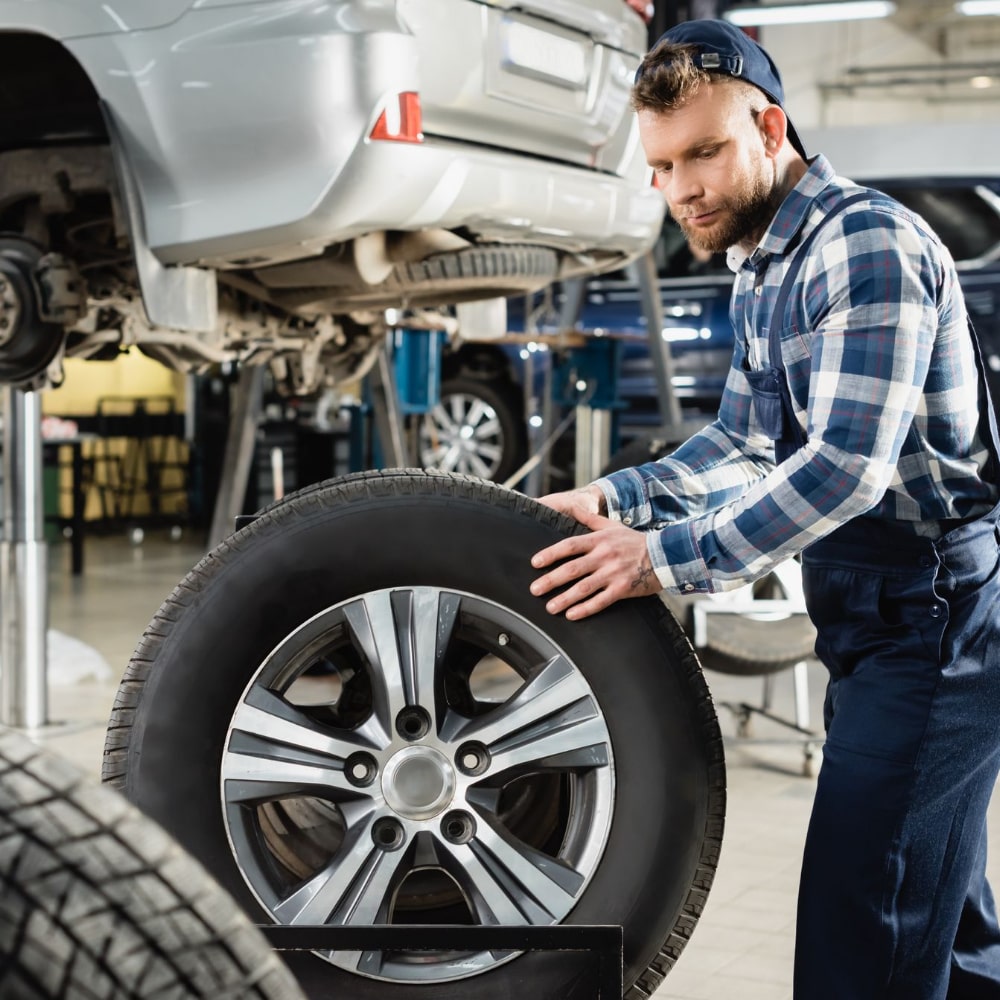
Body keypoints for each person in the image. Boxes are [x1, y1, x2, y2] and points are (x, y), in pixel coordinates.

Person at [528, 18, 1000, 1000]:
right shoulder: (764, 266)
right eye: (660, 166)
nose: (680, 189)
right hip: (874, 613)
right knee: (940, 921)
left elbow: (842, 472)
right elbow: (743, 443)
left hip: (933, 615)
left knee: (859, 935)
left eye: (703, 152)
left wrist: (655, 557)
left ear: (770, 126)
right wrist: (616, 494)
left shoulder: (861, 243)